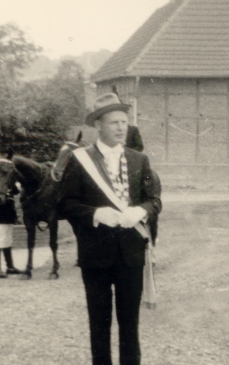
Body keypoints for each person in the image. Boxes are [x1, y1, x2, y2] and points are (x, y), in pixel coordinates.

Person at [58, 93, 162, 365]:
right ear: (99, 126)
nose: (120, 127)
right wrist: (94, 213)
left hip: (131, 254)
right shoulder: (80, 160)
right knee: (99, 325)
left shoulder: (139, 159)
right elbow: (65, 205)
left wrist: (141, 210)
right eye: (114, 122)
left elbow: (154, 201)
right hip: (95, 255)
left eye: (124, 121)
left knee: (130, 326)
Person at [0, 154, 23, 279]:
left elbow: (16, 191)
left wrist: (16, 187)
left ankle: (10, 267)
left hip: (8, 210)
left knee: (7, 239)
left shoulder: (6, 178)